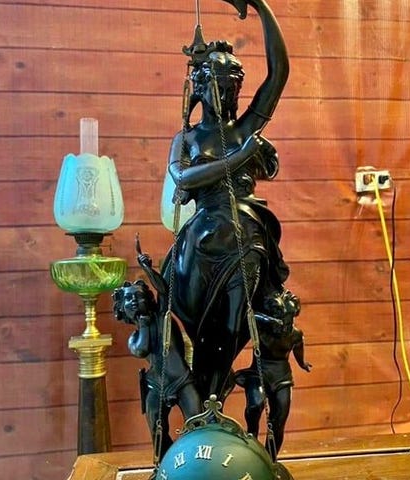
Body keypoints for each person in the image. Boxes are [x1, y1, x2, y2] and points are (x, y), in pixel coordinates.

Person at [161, 0, 290, 403]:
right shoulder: (187, 139)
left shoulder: (246, 126)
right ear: (200, 87)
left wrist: (261, 7)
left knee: (234, 326)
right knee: (199, 327)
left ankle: (214, 396)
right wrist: (241, 156)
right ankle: (201, 400)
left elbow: (279, 73)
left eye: (234, 85)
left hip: (245, 237)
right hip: (202, 239)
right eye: (220, 84)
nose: (229, 93)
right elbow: (183, 178)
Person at [112, 249, 202, 461]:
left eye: (138, 297)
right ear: (122, 310)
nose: (134, 301)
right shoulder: (134, 338)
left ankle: (196, 460)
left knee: (197, 422)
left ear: (148, 299)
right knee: (156, 427)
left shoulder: (163, 316)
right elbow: (142, 349)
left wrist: (147, 269)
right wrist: (143, 324)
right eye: (129, 300)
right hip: (156, 384)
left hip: (181, 380)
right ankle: (166, 462)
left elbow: (164, 290)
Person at [235, 289, 311, 455]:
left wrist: (302, 364)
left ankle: (270, 458)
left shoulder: (295, 335)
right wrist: (267, 320)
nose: (284, 325)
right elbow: (248, 315)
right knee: (255, 406)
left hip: (282, 377)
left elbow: (298, 351)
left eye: (289, 319)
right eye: (281, 319)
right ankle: (252, 437)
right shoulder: (262, 330)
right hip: (259, 373)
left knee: (279, 420)